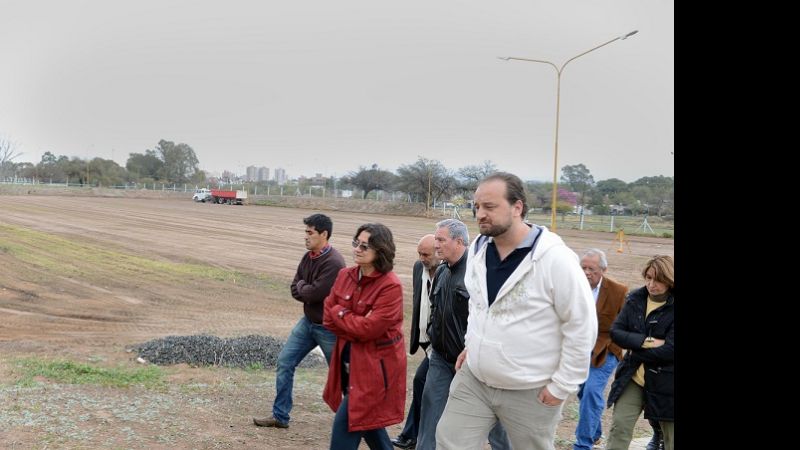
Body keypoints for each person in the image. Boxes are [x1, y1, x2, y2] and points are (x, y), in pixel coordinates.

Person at [436, 172, 597, 450]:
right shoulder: (477, 249)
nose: (480, 214)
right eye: (476, 207)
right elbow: (477, 305)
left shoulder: (554, 259)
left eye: (490, 206)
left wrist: (561, 386)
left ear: (517, 207)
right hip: (475, 380)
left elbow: (581, 325)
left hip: (530, 389)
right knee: (449, 442)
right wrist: (472, 345)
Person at [417, 219, 510, 450]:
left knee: (496, 422)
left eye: (441, 240)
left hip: (473, 362)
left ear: (459, 242)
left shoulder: (479, 273)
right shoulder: (441, 272)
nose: (435, 245)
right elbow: (435, 311)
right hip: (440, 358)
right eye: (435, 239)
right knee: (430, 414)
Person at [253, 213, 346, 429]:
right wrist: (305, 289)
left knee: (342, 376)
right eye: (305, 232)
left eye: (310, 232)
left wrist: (304, 288)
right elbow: (296, 288)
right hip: (308, 322)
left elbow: (314, 293)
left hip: (329, 327)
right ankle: (280, 416)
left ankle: (356, 422)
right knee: (285, 362)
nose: (305, 236)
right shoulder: (308, 257)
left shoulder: (333, 262)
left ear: (324, 234)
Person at [322, 223, 406, 450]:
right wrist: (350, 319)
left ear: (380, 250)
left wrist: (341, 313)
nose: (357, 249)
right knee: (369, 423)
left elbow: (369, 329)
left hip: (374, 371)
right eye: (355, 243)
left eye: (364, 245)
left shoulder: (390, 286)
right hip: (348, 364)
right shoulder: (344, 275)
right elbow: (328, 318)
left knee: (349, 422)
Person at [605, 255, 674, 450]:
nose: (652, 284)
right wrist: (647, 341)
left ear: (669, 280)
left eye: (658, 279)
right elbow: (616, 332)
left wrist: (635, 349)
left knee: (671, 439)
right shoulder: (635, 299)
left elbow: (670, 350)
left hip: (668, 384)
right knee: (620, 427)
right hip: (633, 377)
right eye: (648, 278)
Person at [573, 249, 628, 450]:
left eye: (592, 269)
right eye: (583, 268)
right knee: (581, 392)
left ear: (603, 270)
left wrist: (616, 347)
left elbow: (626, 323)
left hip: (605, 348)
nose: (587, 272)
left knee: (591, 391)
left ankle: (583, 444)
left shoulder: (618, 291)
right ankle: (594, 432)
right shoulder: (573, 287)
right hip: (578, 347)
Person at [390, 234, 441, 450]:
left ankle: (416, 436)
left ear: (439, 253)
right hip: (426, 341)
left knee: (423, 382)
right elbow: (419, 301)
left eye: (426, 254)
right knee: (423, 384)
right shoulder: (418, 268)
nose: (422, 258)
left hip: (443, 345)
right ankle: (414, 435)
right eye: (419, 253)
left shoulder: (447, 272)